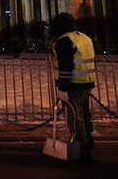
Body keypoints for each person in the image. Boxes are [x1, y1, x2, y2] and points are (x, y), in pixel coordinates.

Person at [50, 12, 96, 162]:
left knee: (75, 117)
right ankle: (89, 140)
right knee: (85, 114)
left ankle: (81, 147)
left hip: (72, 84)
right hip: (87, 82)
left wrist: (62, 87)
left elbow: (65, 66)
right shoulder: (85, 38)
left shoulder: (64, 40)